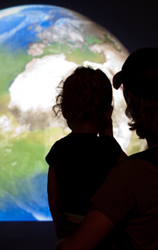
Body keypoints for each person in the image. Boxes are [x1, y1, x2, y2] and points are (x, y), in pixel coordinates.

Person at [56, 48, 158, 250]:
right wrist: (108, 142)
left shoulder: (134, 174)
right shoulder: (132, 170)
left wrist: (62, 244)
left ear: (132, 100)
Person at [45, 67, 126, 246]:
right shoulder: (109, 148)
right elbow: (128, 176)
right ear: (108, 113)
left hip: (68, 226)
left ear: (64, 110)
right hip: (105, 232)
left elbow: (53, 191)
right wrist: (108, 137)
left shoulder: (59, 149)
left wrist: (59, 224)